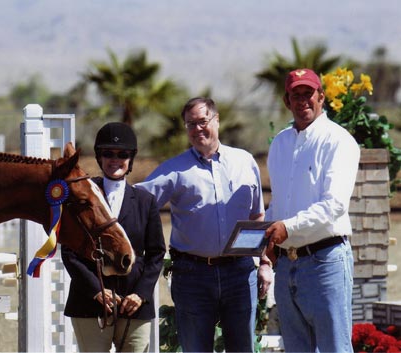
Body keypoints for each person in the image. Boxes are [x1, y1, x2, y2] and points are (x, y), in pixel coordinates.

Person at [136, 97, 273, 353]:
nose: (197, 129)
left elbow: (257, 217)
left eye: (202, 121)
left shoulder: (245, 162)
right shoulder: (174, 170)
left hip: (240, 274)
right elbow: (136, 204)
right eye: (190, 124)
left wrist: (264, 264)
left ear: (217, 120)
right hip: (192, 276)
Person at [265, 68, 360, 353]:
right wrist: (265, 235)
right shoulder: (280, 143)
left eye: (309, 93)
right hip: (287, 265)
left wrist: (286, 228)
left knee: (335, 349)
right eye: (296, 95)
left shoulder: (338, 140)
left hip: (325, 262)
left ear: (321, 97)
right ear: (286, 100)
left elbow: (334, 205)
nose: (303, 100)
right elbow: (278, 203)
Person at [61, 122, 166, 352]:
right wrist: (96, 290)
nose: (115, 159)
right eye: (108, 153)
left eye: (122, 154)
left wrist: (141, 293)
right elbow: (69, 250)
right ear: (99, 157)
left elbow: (156, 253)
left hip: (133, 305)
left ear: (130, 158)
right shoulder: (84, 197)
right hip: (90, 302)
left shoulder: (145, 201)